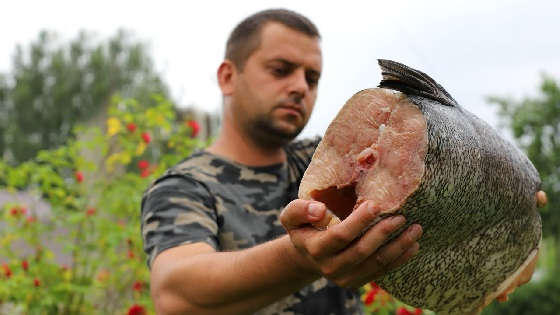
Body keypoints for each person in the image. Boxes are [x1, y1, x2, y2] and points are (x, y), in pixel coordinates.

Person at [140, 8, 423, 315]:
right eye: (280, 70)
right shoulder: (185, 187)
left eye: (311, 78)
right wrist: (301, 257)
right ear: (228, 77)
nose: (301, 87)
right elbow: (175, 295)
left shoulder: (321, 163)